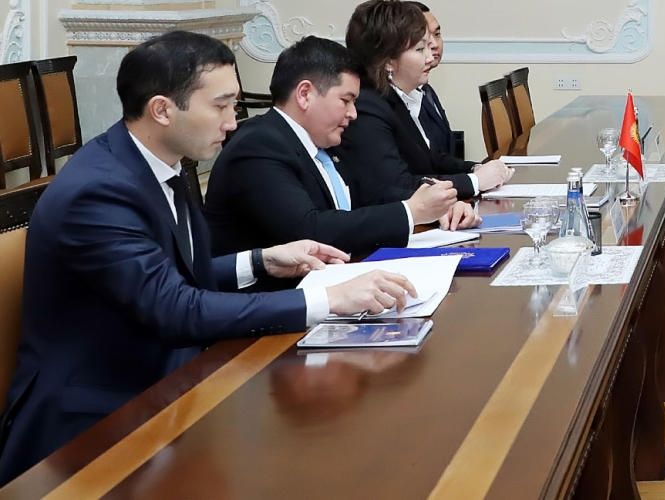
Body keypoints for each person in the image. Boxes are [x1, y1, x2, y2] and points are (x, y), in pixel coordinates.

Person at [0, 32, 415, 484]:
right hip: (95, 418)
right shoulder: (98, 192)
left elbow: (163, 277)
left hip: (164, 382)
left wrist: (259, 262)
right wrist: (329, 301)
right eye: (220, 106)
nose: (233, 122)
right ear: (162, 109)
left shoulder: (163, 163)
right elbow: (174, 307)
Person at [205, 36, 469, 259]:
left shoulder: (320, 142)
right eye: (346, 100)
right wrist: (411, 211)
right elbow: (311, 230)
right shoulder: (258, 146)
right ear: (305, 94)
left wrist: (437, 204)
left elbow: (368, 195)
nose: (353, 113)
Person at [333, 0, 509, 208]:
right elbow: (395, 185)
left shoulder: (395, 97)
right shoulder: (366, 107)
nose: (429, 57)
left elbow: (428, 159)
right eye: (419, 50)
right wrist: (475, 181)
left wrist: (476, 168)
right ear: (388, 60)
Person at [410, 2, 456, 156]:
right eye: (424, 38)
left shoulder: (425, 89)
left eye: (437, 34)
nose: (434, 44)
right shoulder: (404, 96)